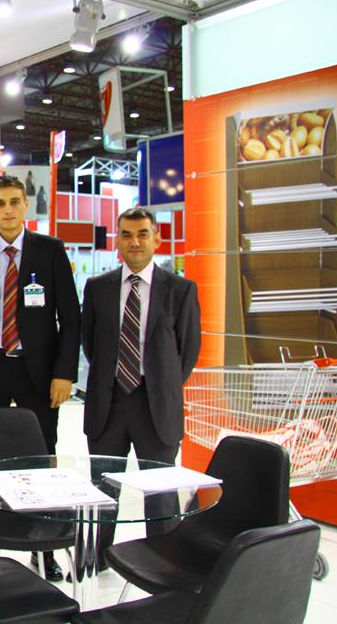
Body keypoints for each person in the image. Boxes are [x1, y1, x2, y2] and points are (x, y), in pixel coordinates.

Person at [0, 174, 80, 581]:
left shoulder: (50, 250)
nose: (8, 209)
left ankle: (43, 545)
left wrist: (64, 373)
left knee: (42, 456)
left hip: (39, 370)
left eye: (14, 201)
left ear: (26, 205)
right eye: (0, 203)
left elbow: (71, 316)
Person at [81, 206, 201, 561]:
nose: (134, 242)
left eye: (142, 234)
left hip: (156, 406)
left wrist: (161, 385)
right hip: (109, 402)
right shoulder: (97, 288)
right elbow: (91, 344)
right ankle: (98, 558)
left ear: (157, 239)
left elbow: (187, 350)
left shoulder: (180, 290)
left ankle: (162, 561)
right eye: (127, 235)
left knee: (160, 492)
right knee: (103, 487)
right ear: (117, 240)